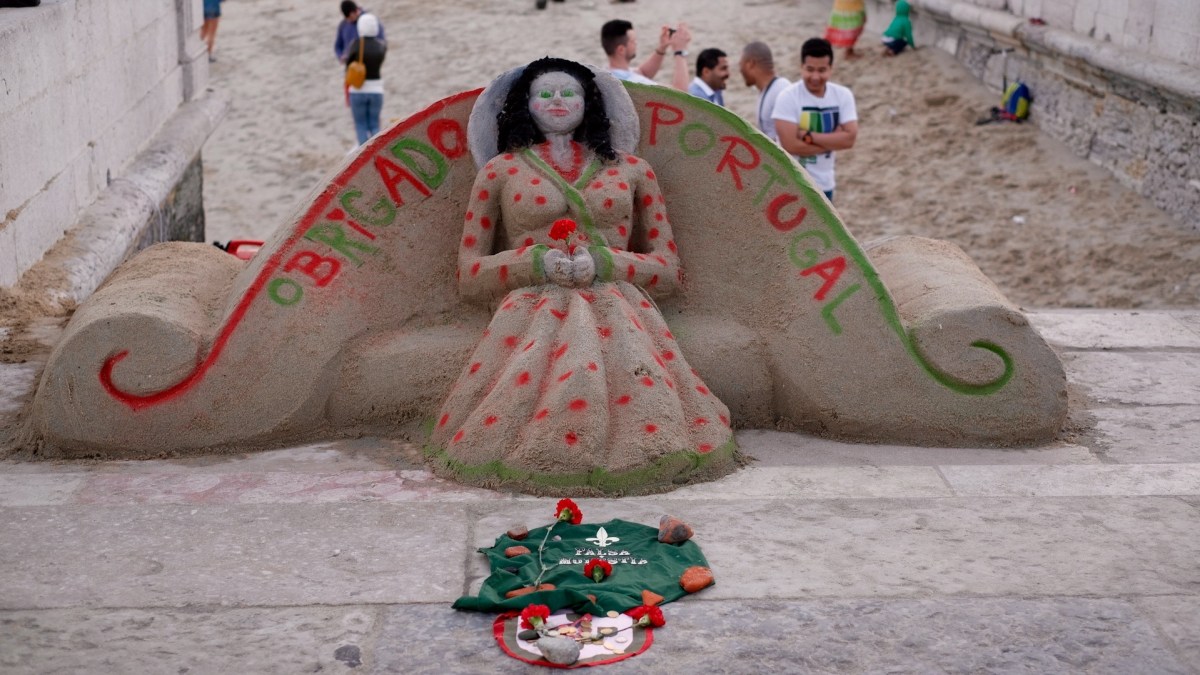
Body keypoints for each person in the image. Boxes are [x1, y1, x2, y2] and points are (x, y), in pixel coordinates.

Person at [431, 57, 732, 476]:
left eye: (569, 93)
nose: (558, 101)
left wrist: (606, 262)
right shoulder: (501, 170)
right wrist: (535, 261)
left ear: (589, 102)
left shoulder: (633, 170)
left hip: (619, 303)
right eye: (545, 94)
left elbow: (668, 269)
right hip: (531, 304)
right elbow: (469, 274)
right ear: (525, 104)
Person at [772, 38, 858, 203]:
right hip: (791, 184)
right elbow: (790, 145)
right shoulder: (788, 97)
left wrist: (808, 136)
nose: (815, 77)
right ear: (801, 67)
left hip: (825, 185)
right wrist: (833, 141)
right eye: (810, 69)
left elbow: (850, 139)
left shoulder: (843, 95)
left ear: (831, 69)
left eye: (822, 70)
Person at [600, 19, 692, 91]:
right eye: (633, 41)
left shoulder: (607, 72)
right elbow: (680, 94)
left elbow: (642, 72)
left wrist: (662, 48)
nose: (636, 43)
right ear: (621, 50)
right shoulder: (634, 82)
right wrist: (680, 51)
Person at [345, 13, 386, 145]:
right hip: (376, 90)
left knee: (361, 125)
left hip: (358, 90)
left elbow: (348, 65)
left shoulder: (355, 44)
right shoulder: (381, 46)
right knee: (375, 125)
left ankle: (363, 151)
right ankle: (377, 150)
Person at [738, 41, 791, 142]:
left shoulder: (781, 89)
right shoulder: (766, 91)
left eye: (741, 64)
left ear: (750, 64)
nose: (740, 70)